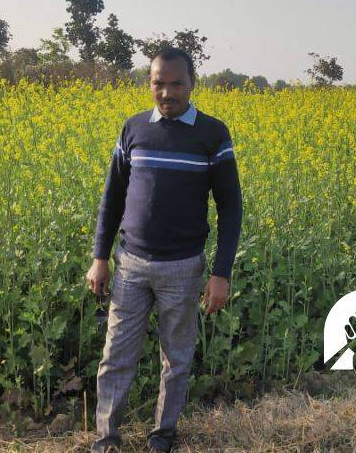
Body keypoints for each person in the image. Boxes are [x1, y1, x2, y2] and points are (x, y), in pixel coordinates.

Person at [85, 46, 244, 452]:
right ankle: (107, 439)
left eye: (176, 83)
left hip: (183, 267)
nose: (167, 92)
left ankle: (163, 435)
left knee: (176, 358)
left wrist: (221, 272)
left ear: (192, 84)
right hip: (130, 264)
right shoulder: (133, 129)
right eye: (159, 83)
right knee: (116, 355)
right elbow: (112, 198)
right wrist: (99, 257)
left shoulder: (212, 134)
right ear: (149, 83)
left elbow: (230, 207)